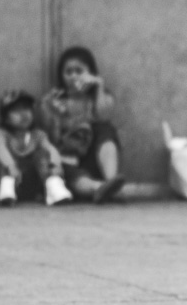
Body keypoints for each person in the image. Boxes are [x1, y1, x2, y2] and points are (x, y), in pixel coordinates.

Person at [39, 45, 126, 204]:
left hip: (94, 157)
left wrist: (99, 86)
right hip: (69, 161)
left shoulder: (98, 97)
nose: (73, 76)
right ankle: (99, 188)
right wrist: (51, 108)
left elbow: (104, 116)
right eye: (68, 72)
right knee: (69, 173)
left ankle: (111, 180)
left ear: (90, 73)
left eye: (79, 71)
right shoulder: (54, 100)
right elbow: (51, 135)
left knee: (105, 129)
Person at [0, 89, 71, 206]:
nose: (23, 114)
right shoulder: (1, 134)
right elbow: (1, 150)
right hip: (7, 178)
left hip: (30, 181)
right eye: (16, 110)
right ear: (6, 118)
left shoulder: (38, 134)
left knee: (42, 155)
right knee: (5, 164)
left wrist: (56, 164)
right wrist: (11, 166)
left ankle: (54, 187)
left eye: (26, 108)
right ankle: (7, 194)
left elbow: (50, 149)